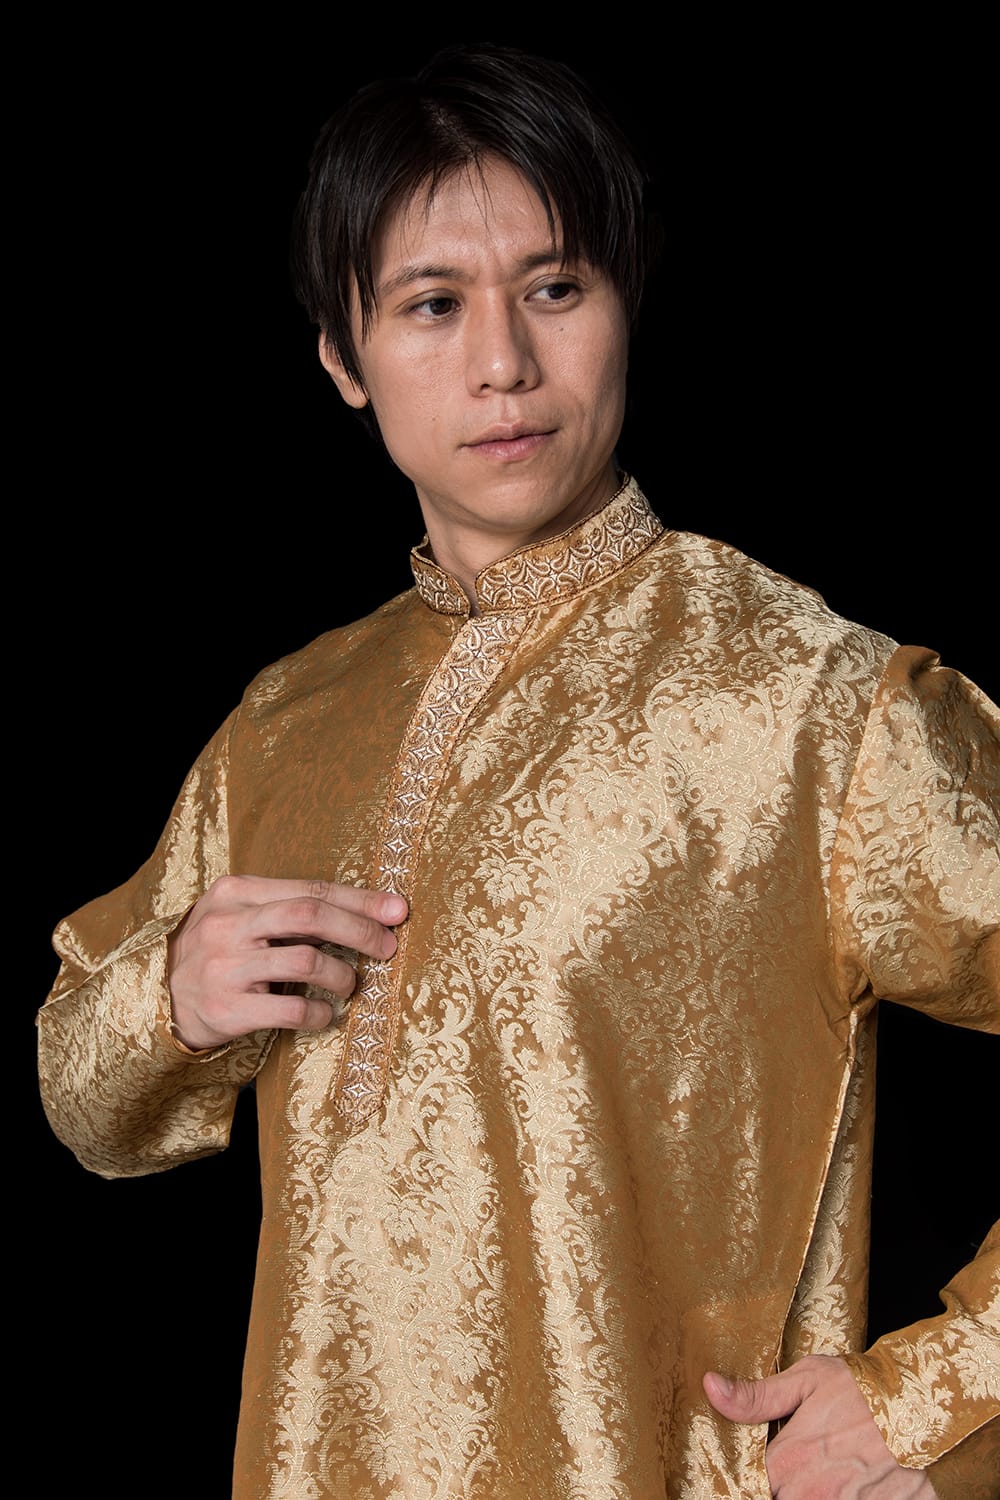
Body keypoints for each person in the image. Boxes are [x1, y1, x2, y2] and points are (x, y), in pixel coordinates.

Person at [37, 43, 997, 1499]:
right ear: (342, 358)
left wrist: (939, 1393)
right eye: (433, 305)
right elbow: (85, 1103)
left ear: (624, 304)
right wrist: (165, 999)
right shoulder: (288, 720)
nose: (505, 363)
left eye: (556, 288)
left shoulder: (807, 701)